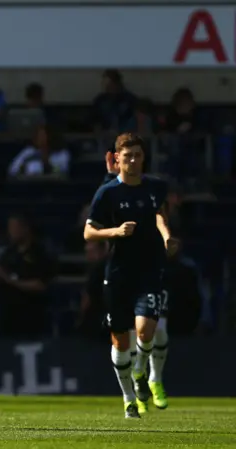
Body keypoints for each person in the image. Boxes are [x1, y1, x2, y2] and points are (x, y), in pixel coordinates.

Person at [84, 133, 176, 418]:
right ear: (118, 159)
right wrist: (115, 231)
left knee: (147, 330)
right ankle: (128, 399)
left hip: (150, 267)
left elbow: (160, 214)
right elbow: (88, 232)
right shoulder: (108, 192)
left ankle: (141, 372)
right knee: (121, 341)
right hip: (118, 271)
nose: (133, 160)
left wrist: (167, 236)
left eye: (137, 155)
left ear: (143, 157)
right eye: (127, 156)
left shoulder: (156, 187)